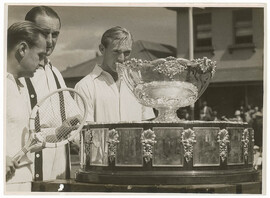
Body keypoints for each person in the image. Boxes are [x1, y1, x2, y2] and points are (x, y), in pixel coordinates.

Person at [19, 6, 74, 182]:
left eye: (55, 34)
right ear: (27, 30)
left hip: (60, 169)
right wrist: (56, 132)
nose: (50, 41)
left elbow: (74, 118)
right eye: (44, 33)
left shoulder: (56, 72)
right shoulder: (12, 74)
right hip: (27, 170)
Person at [75, 26, 155, 123]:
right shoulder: (85, 86)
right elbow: (86, 130)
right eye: (116, 52)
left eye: (127, 53)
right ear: (102, 49)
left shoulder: (138, 85)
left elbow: (147, 125)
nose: (121, 58)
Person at [6, 21, 47, 191]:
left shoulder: (19, 85)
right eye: (40, 55)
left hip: (23, 182)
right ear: (22, 49)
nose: (43, 63)